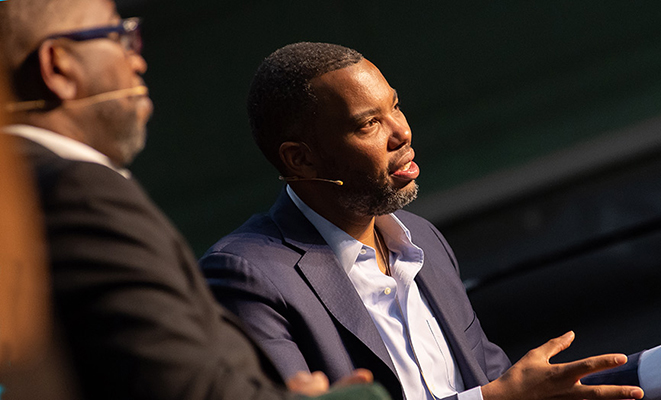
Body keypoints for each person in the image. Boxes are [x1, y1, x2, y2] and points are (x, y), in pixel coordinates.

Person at [199, 42, 661, 400]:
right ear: (300, 159)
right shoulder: (249, 274)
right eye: (367, 124)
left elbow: (511, 389)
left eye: (396, 106)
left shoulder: (421, 241)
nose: (403, 132)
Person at [0, 3, 389, 400]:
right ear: (58, 67)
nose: (137, 61)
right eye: (119, 37)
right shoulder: (76, 192)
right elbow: (181, 388)